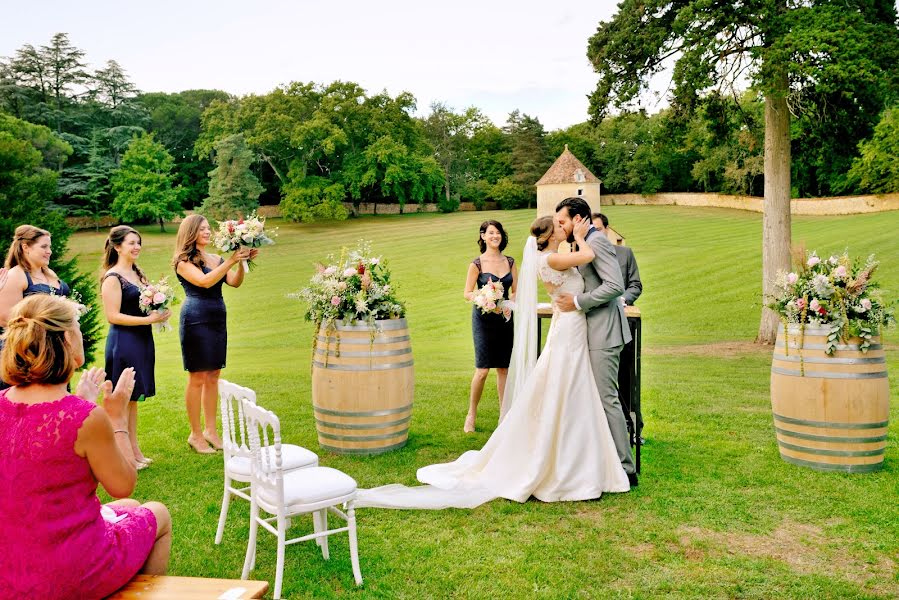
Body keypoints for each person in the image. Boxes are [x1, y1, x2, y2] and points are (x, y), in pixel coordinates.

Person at [356, 215, 629, 510]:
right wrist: (582, 231)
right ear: (550, 235)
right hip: (567, 324)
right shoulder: (550, 259)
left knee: (568, 383)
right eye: (560, 226)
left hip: (571, 325)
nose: (564, 228)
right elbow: (589, 254)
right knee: (555, 381)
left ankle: (577, 450)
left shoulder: (549, 256)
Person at [0, 294, 171, 599]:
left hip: (10, 568)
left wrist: (85, 405)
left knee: (129, 511)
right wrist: (116, 417)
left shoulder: (4, 404)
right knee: (157, 513)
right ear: (67, 339)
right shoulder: (84, 417)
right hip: (66, 572)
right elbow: (123, 484)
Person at [555, 198, 637, 486]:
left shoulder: (597, 241)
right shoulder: (583, 240)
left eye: (563, 221)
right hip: (592, 331)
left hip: (605, 331)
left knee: (607, 399)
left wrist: (578, 301)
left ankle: (626, 468)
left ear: (578, 218)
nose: (560, 227)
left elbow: (615, 286)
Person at [173, 215, 255, 454]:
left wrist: (240, 262)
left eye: (209, 228)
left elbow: (234, 282)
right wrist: (230, 260)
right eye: (202, 229)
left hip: (217, 317)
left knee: (213, 376)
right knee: (197, 378)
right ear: (191, 232)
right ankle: (195, 435)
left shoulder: (217, 258)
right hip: (195, 319)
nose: (208, 232)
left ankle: (211, 431)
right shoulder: (183, 260)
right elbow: (205, 281)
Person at [101, 226, 171, 469]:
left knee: (132, 398)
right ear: (117, 246)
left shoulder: (138, 274)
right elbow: (113, 316)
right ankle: (122, 454)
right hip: (124, 341)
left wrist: (160, 311)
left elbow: (145, 305)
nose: (136, 247)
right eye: (131, 243)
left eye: (138, 242)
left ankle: (135, 449)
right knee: (122, 398)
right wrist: (147, 320)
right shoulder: (113, 278)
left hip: (142, 340)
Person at [462, 220, 517, 432]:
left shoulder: (510, 262)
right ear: (483, 236)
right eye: (491, 233)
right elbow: (467, 293)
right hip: (483, 320)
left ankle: (503, 417)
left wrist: (509, 305)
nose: (496, 236)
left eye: (498, 232)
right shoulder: (477, 264)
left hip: (504, 318)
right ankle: (471, 414)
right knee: (483, 370)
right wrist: (484, 298)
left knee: (504, 368)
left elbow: (515, 290)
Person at [593, 213, 644, 443]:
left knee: (627, 375)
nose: (595, 234)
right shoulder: (584, 256)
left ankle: (633, 428)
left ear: (606, 230)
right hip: (597, 328)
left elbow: (636, 284)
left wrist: (624, 299)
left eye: (598, 229)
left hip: (624, 321)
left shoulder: (624, 253)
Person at [0, 225, 71, 390]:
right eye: (44, 246)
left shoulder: (50, 274)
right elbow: (6, 318)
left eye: (50, 247)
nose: (49, 251)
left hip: (55, 348)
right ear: (26, 247)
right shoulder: (17, 275)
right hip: (27, 352)